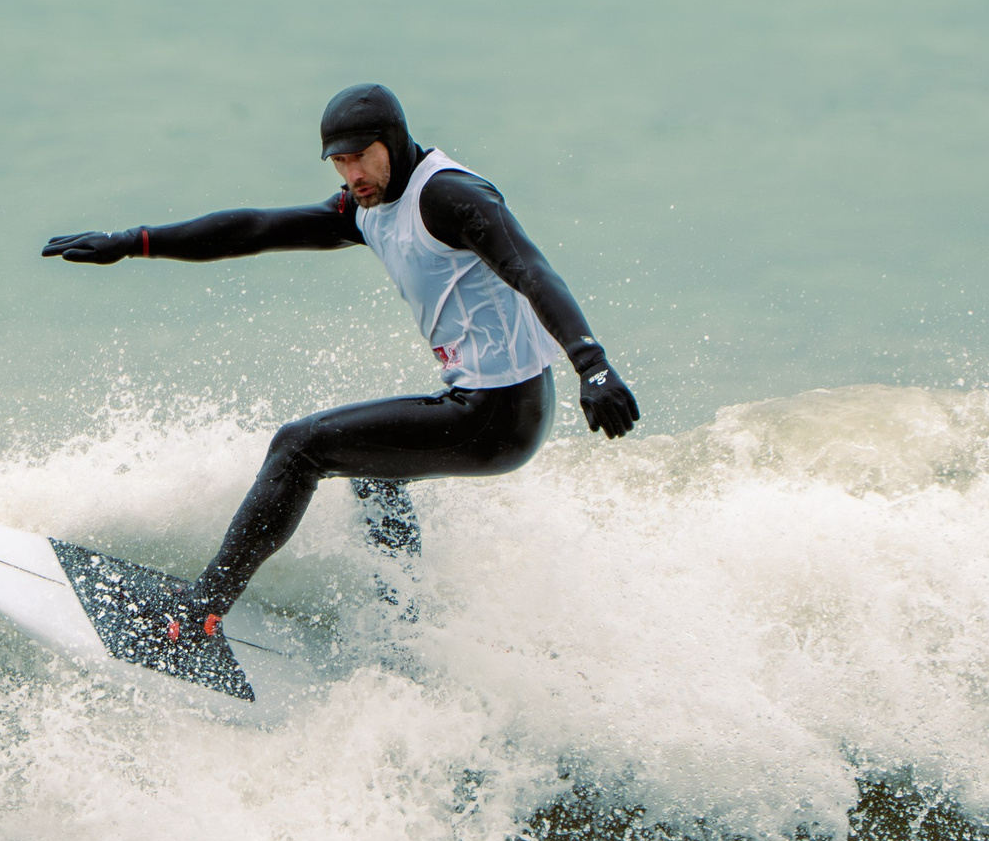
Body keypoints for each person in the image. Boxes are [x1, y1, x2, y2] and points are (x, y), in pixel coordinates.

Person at [42, 83, 640, 642]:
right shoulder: (368, 205)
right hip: (482, 403)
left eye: (362, 157)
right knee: (375, 475)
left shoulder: (450, 197)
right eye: (338, 162)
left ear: (396, 142)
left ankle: (200, 613)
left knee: (299, 446)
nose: (351, 175)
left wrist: (592, 365)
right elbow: (256, 228)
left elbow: (532, 271)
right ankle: (404, 629)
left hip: (501, 413)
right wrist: (133, 241)